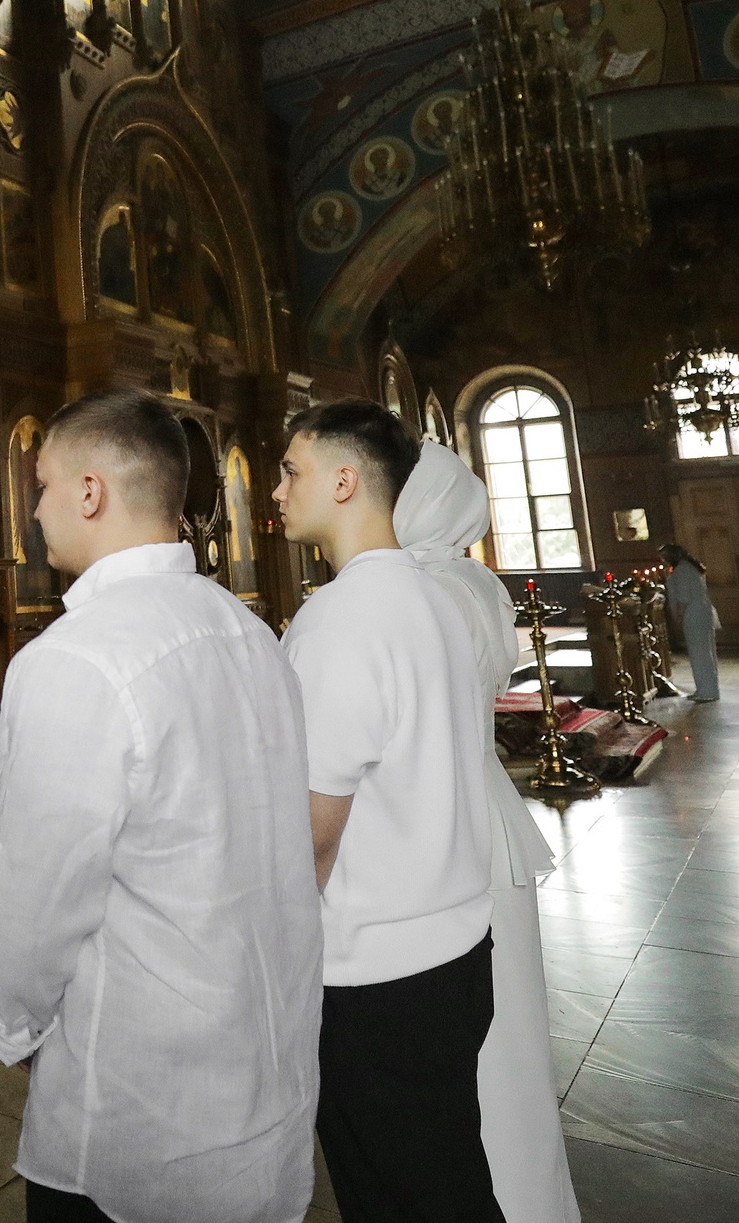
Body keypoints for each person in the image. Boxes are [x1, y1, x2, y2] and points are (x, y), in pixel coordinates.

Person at [0, 388, 323, 1223]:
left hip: (139, 1115)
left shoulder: (76, 660)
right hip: (267, 1081)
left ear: (90, 492)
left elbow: (34, 895)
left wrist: (9, 1024)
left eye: (44, 485)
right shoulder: (252, 633)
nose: (37, 509)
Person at [274, 399, 500, 1223]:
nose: (276, 489)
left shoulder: (343, 617)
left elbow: (312, 830)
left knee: (403, 1197)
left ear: (345, 478)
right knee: (446, 1178)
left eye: (292, 469)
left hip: (375, 974)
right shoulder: (436, 596)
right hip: (456, 947)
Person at [397, 441, 581, 1223]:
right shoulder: (476, 581)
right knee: (512, 1032)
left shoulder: (419, 589)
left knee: (474, 1047)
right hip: (489, 811)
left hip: (447, 821)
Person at [660, 542, 721, 700]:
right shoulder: (692, 567)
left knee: (699, 653)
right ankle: (709, 689)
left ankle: (706, 691)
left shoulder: (682, 570)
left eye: (665, 557)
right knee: (707, 652)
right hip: (702, 612)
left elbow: (683, 598)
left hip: (692, 614)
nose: (663, 561)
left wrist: (678, 618)